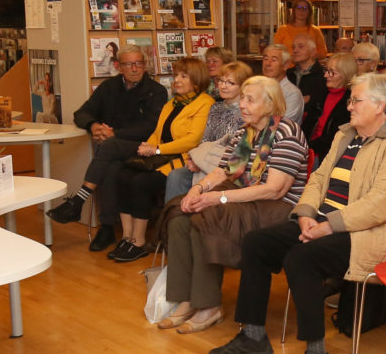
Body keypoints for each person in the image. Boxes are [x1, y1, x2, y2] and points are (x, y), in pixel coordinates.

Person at [210, 73, 386, 354]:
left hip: (370, 235)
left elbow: (380, 206)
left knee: (302, 259)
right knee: (257, 242)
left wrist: (327, 225)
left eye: (356, 100)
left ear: (381, 106)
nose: (348, 106)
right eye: (350, 99)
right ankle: (253, 335)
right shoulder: (346, 135)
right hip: (322, 223)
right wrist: (307, 214)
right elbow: (319, 178)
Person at [157, 75, 312, 336]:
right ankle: (186, 298)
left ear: (271, 103)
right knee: (181, 212)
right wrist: (198, 189)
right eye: (242, 99)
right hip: (243, 199)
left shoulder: (287, 133)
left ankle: (208, 306)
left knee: (206, 217)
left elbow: (274, 189)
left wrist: (220, 198)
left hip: (276, 207)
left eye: (250, 100)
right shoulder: (245, 132)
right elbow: (223, 172)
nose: (242, 105)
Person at [48, 46, 170, 252]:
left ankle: (79, 202)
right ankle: (106, 227)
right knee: (112, 167)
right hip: (114, 150)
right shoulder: (109, 87)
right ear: (118, 66)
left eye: (138, 63)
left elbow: (151, 126)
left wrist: (115, 134)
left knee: (109, 147)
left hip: (143, 147)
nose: (134, 68)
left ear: (144, 65)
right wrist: (93, 126)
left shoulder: (156, 91)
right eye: (128, 64)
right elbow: (82, 113)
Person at [103, 56, 214, 262]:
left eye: (183, 76)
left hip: (182, 161)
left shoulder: (205, 104)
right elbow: (158, 131)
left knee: (140, 183)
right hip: (159, 156)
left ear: (196, 81)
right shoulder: (173, 102)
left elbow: (192, 140)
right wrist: (147, 147)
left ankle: (139, 241)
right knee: (124, 174)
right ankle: (127, 237)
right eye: (175, 76)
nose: (176, 80)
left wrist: (156, 150)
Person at [167, 59, 252, 203]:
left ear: (243, 86)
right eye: (221, 81)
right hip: (206, 159)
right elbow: (205, 140)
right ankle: (173, 217)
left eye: (230, 83)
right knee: (176, 175)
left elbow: (240, 152)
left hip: (230, 166)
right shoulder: (215, 108)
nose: (223, 86)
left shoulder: (248, 112)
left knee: (183, 177)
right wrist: (195, 159)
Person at [304, 51, 357, 161]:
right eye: (326, 70)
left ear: (345, 74)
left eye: (332, 72)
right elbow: (307, 125)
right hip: (309, 152)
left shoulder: (351, 101)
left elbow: (336, 137)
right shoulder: (321, 93)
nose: (326, 75)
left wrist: (308, 148)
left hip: (329, 156)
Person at [259, 44, 305, 124]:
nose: (268, 64)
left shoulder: (292, 93)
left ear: (285, 65)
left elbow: (282, 124)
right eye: (265, 59)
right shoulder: (256, 87)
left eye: (273, 60)